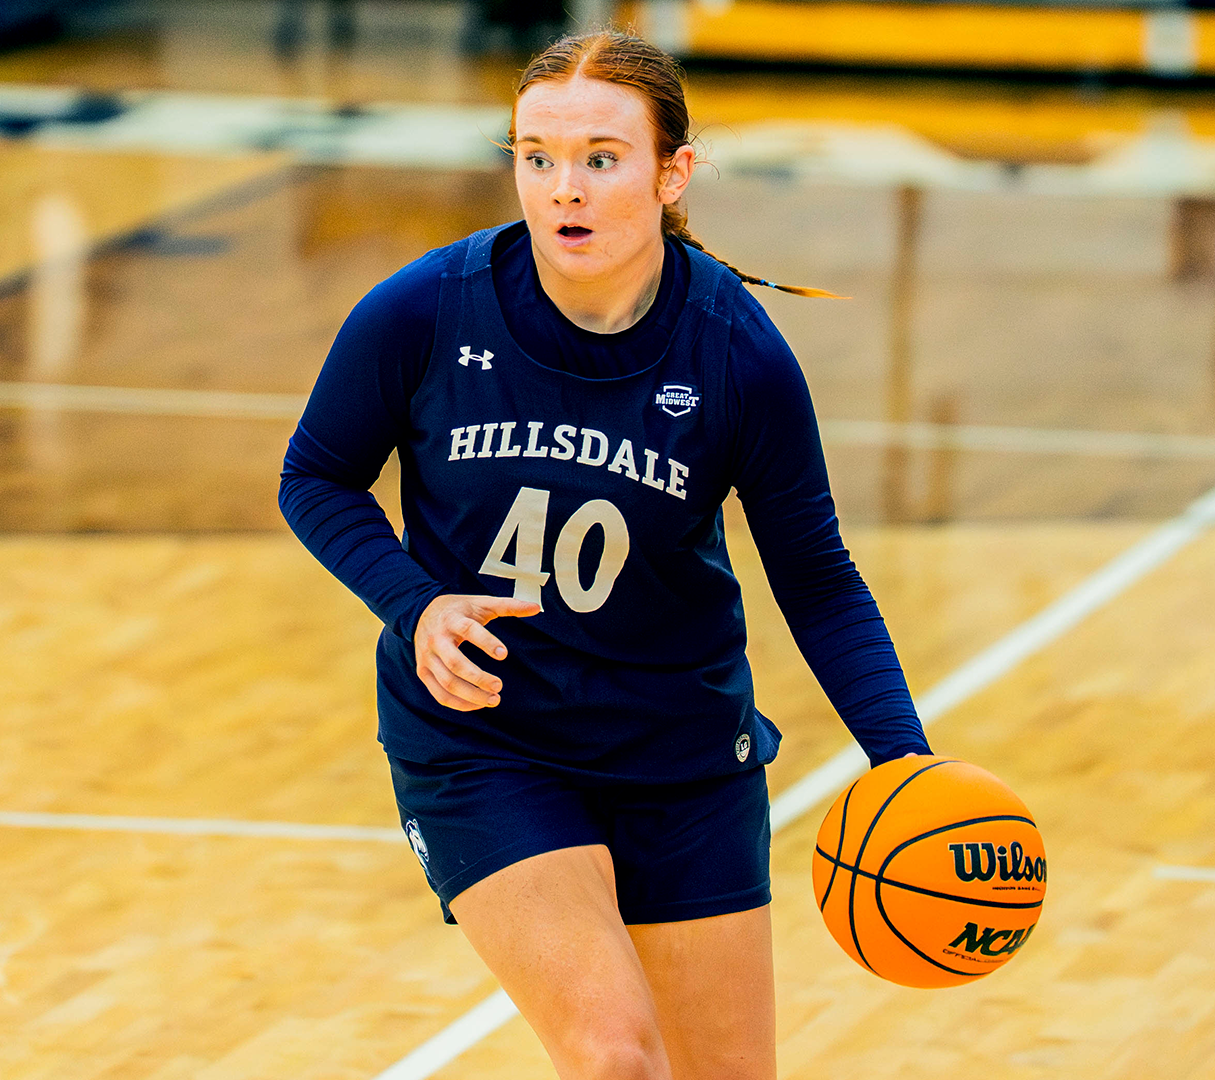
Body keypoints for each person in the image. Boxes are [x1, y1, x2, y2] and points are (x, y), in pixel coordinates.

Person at [279, 30, 930, 1080]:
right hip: (489, 742)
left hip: (680, 754)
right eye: (536, 156)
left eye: (600, 157)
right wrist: (416, 604)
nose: (563, 189)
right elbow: (315, 476)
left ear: (673, 173)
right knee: (614, 1055)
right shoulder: (423, 311)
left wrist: (903, 760)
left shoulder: (736, 353)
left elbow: (815, 576)